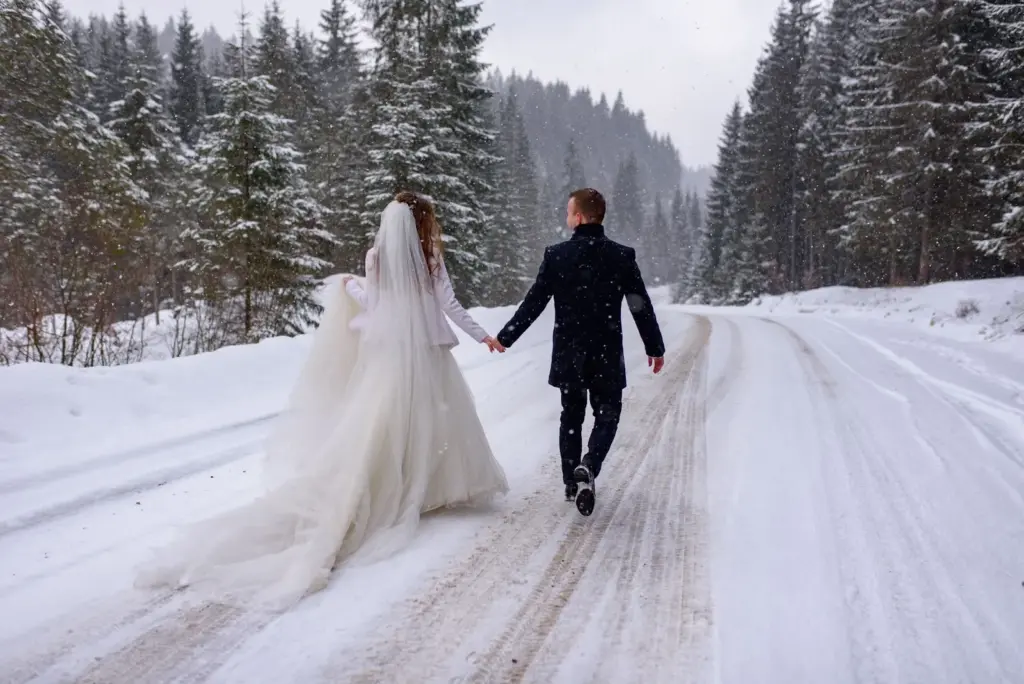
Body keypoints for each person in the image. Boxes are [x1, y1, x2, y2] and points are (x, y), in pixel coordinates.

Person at [137, 193, 509, 609]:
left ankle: (395, 488)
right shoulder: (431, 257)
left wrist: (352, 289)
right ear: (423, 223)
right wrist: (484, 336)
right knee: (432, 421)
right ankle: (423, 488)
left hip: (390, 356)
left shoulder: (377, 258)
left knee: (383, 427)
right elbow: (450, 305)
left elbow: (381, 306)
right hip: (427, 352)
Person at [496, 188, 665, 516]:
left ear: (579, 217)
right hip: (605, 351)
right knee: (608, 413)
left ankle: (571, 482)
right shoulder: (621, 256)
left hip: (569, 352)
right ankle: (590, 464)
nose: (565, 216)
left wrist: (506, 337)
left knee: (570, 415)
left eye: (568, 211)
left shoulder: (557, 255)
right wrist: (654, 347)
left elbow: (534, 303)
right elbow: (639, 305)